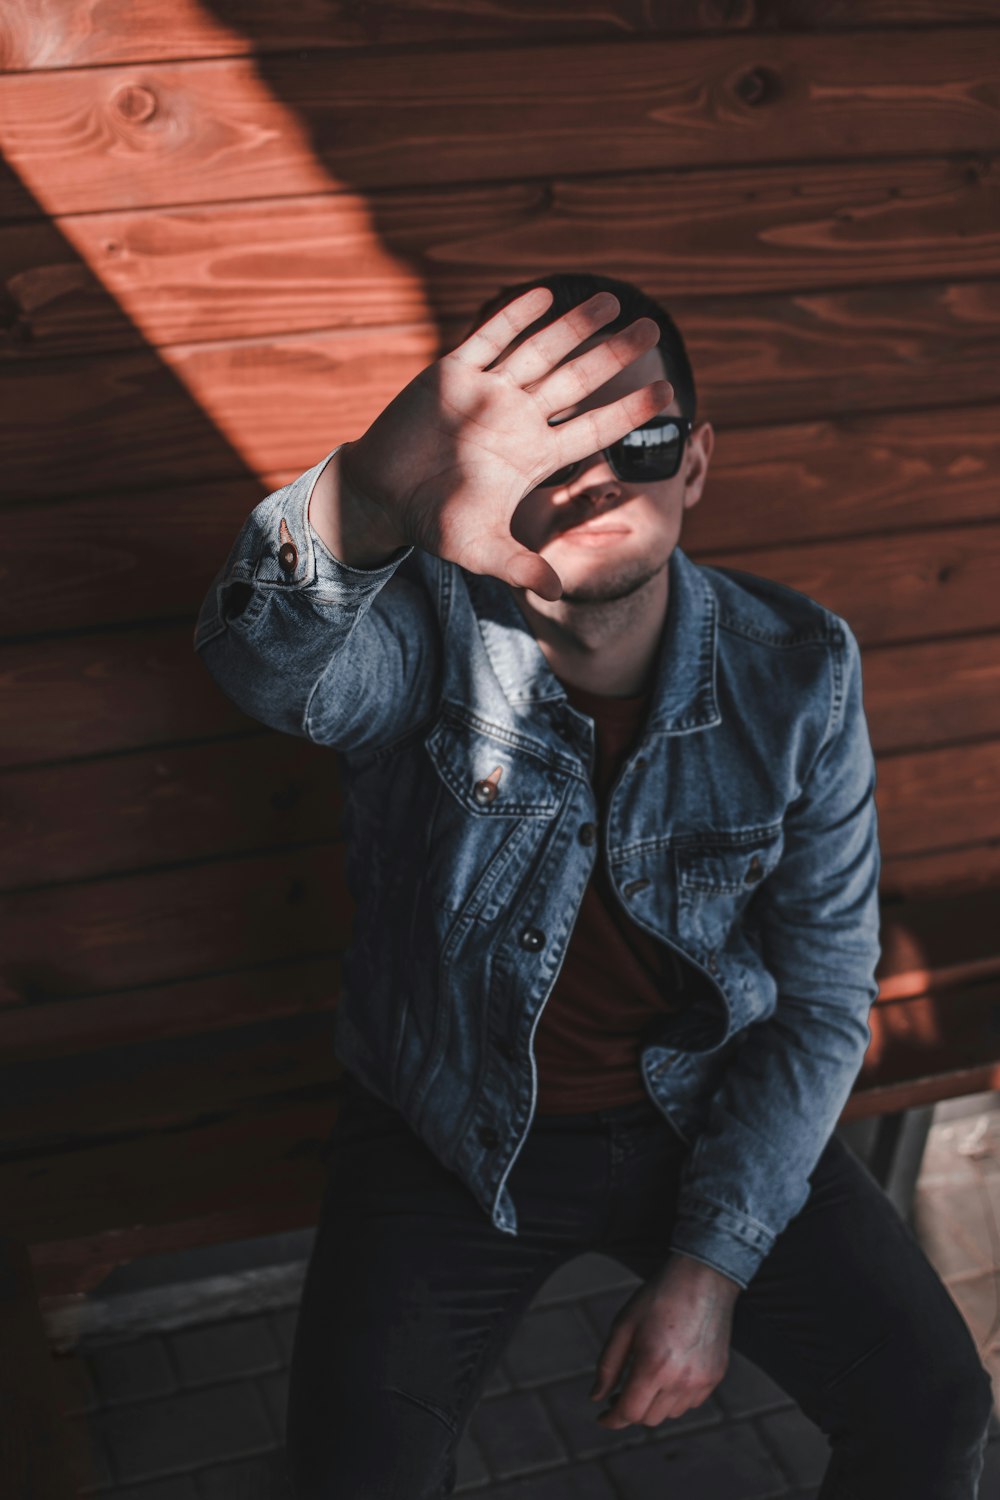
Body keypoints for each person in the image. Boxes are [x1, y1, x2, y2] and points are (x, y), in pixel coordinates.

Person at [194, 272, 994, 1498]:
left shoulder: (797, 671)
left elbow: (826, 991)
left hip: (700, 1112)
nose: (595, 477)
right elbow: (266, 667)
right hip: (446, 1131)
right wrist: (361, 494)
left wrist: (712, 1267)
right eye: (546, 447)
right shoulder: (423, 635)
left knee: (934, 1409)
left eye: (642, 437)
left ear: (697, 464)